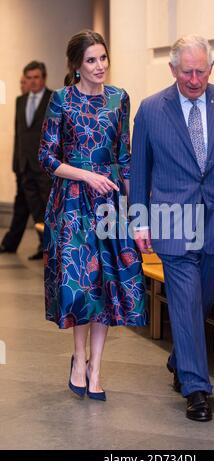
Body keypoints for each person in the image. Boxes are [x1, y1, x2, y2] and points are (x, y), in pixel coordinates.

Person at [130, 35, 214, 421]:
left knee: (205, 295)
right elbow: (140, 171)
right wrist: (139, 220)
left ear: (210, 68)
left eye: (200, 71)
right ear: (173, 69)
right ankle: (196, 389)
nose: (193, 79)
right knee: (186, 301)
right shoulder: (152, 110)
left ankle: (179, 357)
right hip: (173, 221)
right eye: (186, 71)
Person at [38, 30, 147, 400]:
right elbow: (47, 158)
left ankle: (96, 368)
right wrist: (86, 174)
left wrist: (137, 215)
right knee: (81, 285)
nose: (99, 66)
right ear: (76, 66)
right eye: (91, 60)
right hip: (71, 202)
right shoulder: (61, 100)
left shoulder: (119, 99)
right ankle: (79, 358)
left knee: (106, 286)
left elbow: (126, 158)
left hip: (110, 203)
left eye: (103, 58)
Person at [0, 62, 52, 260]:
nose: (32, 81)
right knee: (34, 208)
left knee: (48, 206)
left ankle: (49, 245)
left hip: (45, 165)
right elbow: (18, 134)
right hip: (25, 165)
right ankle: (43, 245)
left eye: (36, 77)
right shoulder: (20, 101)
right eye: (28, 78)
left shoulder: (52, 99)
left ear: (44, 78)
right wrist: (16, 163)